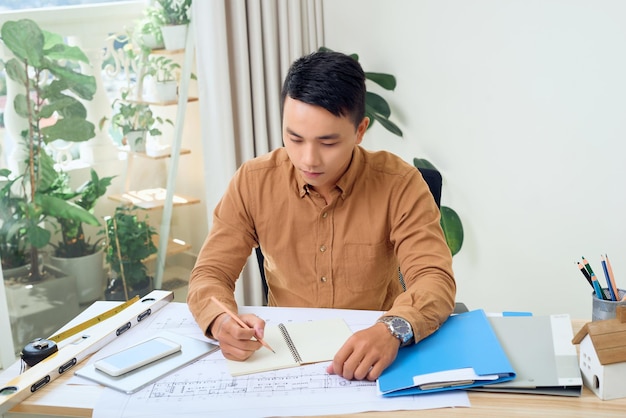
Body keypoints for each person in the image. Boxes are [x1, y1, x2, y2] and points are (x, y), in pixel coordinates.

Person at [187, 50, 456, 381]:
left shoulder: (399, 183)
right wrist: (221, 319)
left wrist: (392, 328)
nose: (308, 159)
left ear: (360, 131)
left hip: (375, 349)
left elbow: (434, 277)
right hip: (284, 355)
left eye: (327, 142)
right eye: (294, 139)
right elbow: (210, 274)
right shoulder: (254, 181)